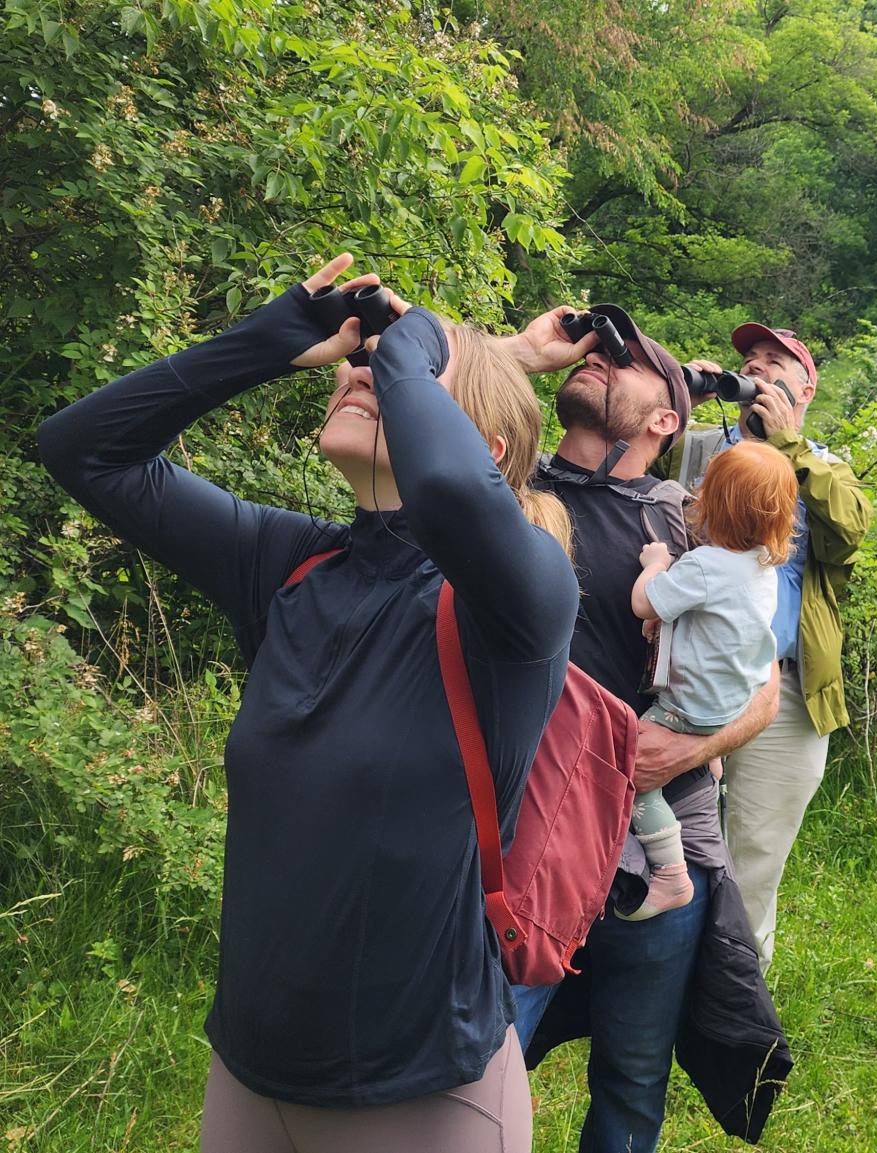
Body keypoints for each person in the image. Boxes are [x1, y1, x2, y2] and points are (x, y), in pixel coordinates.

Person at [38, 254, 579, 1152]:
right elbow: (82, 449)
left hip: (423, 1091)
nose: (360, 373)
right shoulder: (289, 564)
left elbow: (444, 492)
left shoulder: (520, 601)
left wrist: (414, 346)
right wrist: (272, 337)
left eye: (399, 375)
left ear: (486, 450)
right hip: (250, 1073)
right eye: (359, 368)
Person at [506, 303, 787, 1152]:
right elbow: (430, 391)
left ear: (667, 419)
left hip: (660, 847)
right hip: (523, 841)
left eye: (625, 359)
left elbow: (764, 685)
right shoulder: (506, 490)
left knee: (632, 1081)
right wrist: (519, 355)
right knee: (479, 1062)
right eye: (593, 349)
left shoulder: (683, 520)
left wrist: (690, 747)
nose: (598, 357)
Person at [674, 322, 871, 966]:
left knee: (753, 856)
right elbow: (614, 485)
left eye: (774, 361)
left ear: (805, 385)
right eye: (749, 360)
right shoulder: (700, 447)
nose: (756, 369)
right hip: (689, 678)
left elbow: (846, 532)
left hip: (786, 692)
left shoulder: (827, 467)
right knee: (666, 844)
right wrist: (676, 406)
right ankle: (653, 993)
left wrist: (785, 444)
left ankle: (735, 1009)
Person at [625, 440, 797, 919]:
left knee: (639, 783)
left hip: (688, 710)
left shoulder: (705, 565)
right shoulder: (763, 566)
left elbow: (645, 603)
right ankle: (712, 767)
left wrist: (656, 565)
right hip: (733, 702)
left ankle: (669, 875)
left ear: (710, 504)